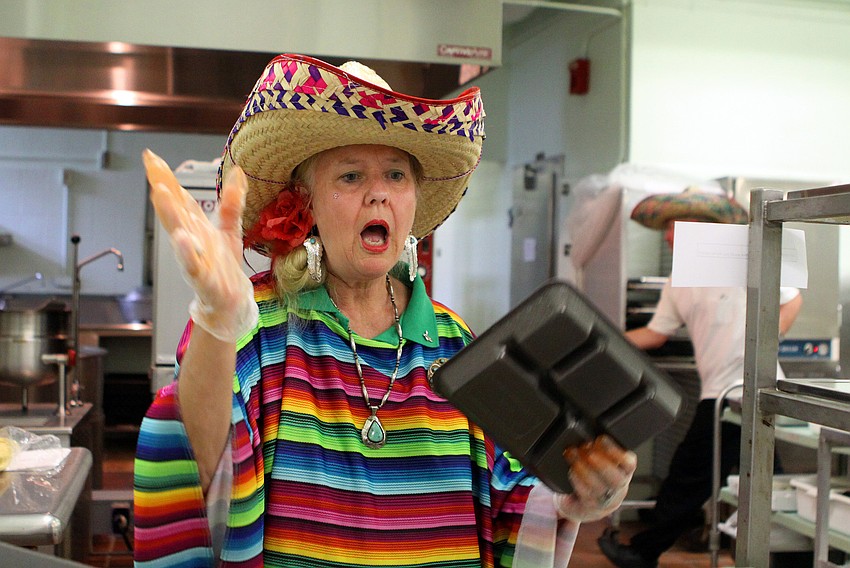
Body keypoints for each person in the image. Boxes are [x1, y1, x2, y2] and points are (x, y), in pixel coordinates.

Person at [134, 53, 637, 567]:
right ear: (305, 205)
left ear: (414, 199)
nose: (378, 194)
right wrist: (217, 321)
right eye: (350, 177)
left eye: (396, 175)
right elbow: (201, 463)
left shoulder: (453, 342)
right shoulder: (255, 324)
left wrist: (577, 495)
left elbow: (510, 495)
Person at [597, 190, 803, 568]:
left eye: (673, 228)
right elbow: (655, 335)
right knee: (765, 479)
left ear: (701, 229)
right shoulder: (679, 279)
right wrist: (601, 341)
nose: (667, 237)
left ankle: (642, 552)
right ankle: (796, 557)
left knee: (692, 473)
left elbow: (791, 300)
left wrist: (766, 343)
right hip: (722, 393)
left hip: (746, 390)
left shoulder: (743, 263)